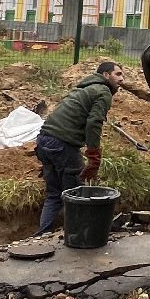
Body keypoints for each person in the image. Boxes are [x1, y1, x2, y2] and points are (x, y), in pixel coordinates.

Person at [34, 60, 125, 235]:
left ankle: (41, 237)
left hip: (44, 141)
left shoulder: (83, 89)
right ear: (106, 75)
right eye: (118, 74)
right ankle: (77, 236)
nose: (122, 79)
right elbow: (93, 123)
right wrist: (94, 155)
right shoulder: (103, 91)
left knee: (54, 195)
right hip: (62, 145)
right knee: (75, 195)